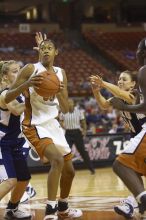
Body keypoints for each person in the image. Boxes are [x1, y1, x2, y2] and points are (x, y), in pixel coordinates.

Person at [5, 39, 82, 220]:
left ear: (56, 52)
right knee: (56, 160)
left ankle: (63, 207)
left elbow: (65, 109)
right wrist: (27, 84)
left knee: (70, 171)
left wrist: (58, 91)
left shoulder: (61, 73)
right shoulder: (30, 69)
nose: (46, 51)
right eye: (43, 48)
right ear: (39, 52)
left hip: (52, 124)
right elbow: (8, 96)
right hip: (33, 124)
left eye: (49, 48)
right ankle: (50, 210)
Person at [92, 38, 146, 219]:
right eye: (119, 79)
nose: (120, 81)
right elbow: (103, 105)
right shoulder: (120, 98)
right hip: (137, 138)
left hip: (142, 137)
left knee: (124, 167)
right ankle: (132, 204)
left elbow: (123, 95)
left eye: (124, 79)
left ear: (132, 84)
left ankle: (132, 203)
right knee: (134, 173)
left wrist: (104, 84)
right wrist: (96, 91)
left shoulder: (134, 95)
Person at [0, 60, 32, 219]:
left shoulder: (17, 92)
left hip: (15, 143)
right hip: (3, 144)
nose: (18, 73)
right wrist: (31, 98)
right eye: (14, 71)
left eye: (19, 70)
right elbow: (17, 110)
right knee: (11, 180)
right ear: (5, 76)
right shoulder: (5, 93)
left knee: (24, 178)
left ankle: (11, 210)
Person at [59, 98, 95, 174]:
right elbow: (61, 121)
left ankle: (91, 169)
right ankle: (64, 170)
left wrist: (84, 130)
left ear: (73, 103)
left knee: (83, 152)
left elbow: (83, 122)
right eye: (67, 102)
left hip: (77, 133)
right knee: (66, 152)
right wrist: (63, 126)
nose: (69, 104)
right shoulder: (63, 112)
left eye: (70, 102)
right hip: (68, 133)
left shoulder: (79, 112)